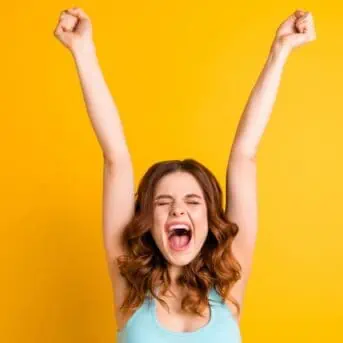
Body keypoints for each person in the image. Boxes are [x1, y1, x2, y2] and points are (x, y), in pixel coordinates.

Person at [54, 7, 316, 343]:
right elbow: (116, 158)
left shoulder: (228, 286)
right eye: (164, 202)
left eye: (192, 201)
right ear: (148, 219)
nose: (178, 210)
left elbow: (244, 155)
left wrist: (280, 51)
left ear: (209, 218)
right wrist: (82, 50)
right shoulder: (130, 290)